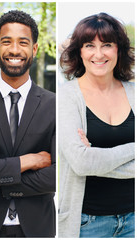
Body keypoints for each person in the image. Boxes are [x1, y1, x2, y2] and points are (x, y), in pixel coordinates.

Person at [0, 10, 56, 237]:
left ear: (34, 49)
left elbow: (55, 176)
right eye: (6, 42)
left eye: (23, 42)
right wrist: (30, 160)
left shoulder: (54, 105)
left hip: (38, 228)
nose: (14, 50)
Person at [58, 12, 135, 238]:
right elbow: (81, 163)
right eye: (90, 45)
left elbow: (89, 161)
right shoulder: (66, 97)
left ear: (118, 49)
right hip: (86, 224)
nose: (99, 54)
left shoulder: (134, 93)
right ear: (79, 51)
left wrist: (97, 158)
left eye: (107, 45)